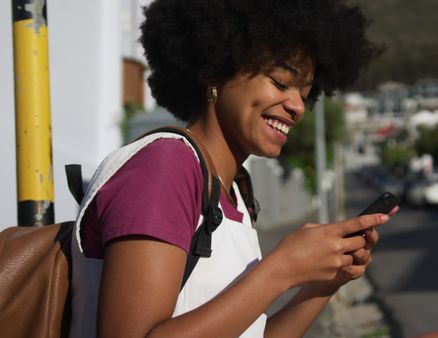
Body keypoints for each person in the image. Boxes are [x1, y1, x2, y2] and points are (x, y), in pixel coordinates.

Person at [68, 1, 395, 337]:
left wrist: (327, 283)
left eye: (306, 92)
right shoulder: (164, 167)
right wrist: (281, 269)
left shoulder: (234, 193)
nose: (298, 106)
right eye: (281, 81)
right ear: (216, 70)